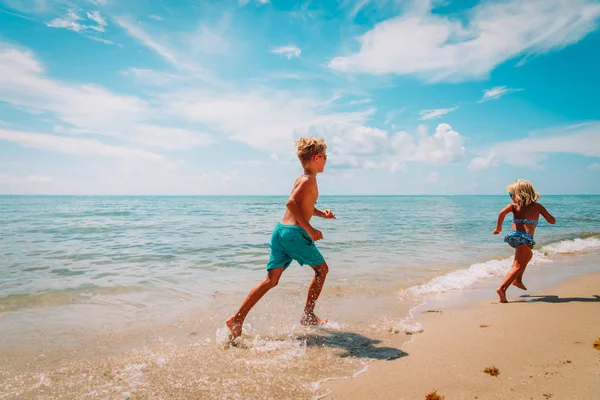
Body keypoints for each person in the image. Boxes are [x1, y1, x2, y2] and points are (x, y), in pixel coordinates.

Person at [226, 137, 335, 338]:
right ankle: (308, 315)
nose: (327, 161)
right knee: (322, 270)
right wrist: (310, 229)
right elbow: (291, 203)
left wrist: (321, 214)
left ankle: (237, 319)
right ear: (316, 157)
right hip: (294, 235)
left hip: (281, 232)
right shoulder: (309, 179)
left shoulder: (302, 178)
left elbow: (303, 206)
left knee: (271, 280)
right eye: (325, 157)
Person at [493, 179, 555, 303]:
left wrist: (498, 228)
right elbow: (551, 221)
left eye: (511, 195)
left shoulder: (513, 206)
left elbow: (501, 213)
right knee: (517, 265)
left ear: (519, 194)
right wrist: (548, 217)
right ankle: (502, 288)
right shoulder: (537, 207)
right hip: (525, 238)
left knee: (528, 256)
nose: (510, 197)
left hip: (513, 236)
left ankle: (518, 279)